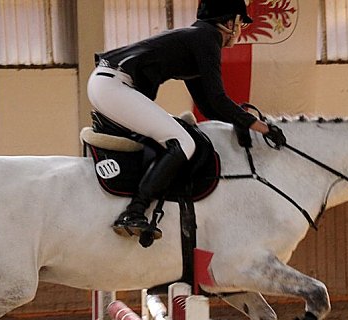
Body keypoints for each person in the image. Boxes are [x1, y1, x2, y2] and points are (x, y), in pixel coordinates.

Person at [88, 0, 286, 239]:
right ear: (228, 22)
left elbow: (209, 106)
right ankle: (135, 210)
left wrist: (241, 122)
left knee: (181, 135)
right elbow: (218, 98)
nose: (241, 29)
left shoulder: (196, 39)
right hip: (114, 86)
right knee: (183, 142)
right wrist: (262, 127)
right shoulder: (207, 39)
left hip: (107, 84)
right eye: (240, 22)